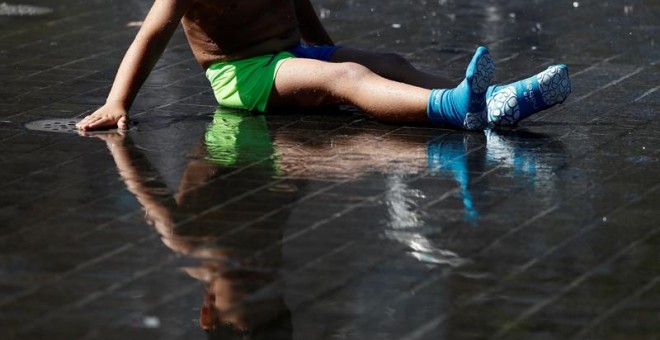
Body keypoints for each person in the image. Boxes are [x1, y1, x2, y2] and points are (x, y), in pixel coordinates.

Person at [76, 0, 571, 133]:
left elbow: (298, 8)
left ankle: (492, 100)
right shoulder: (194, 247)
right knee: (349, 78)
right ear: (208, 306)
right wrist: (118, 102)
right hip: (245, 75)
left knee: (384, 61)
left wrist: (335, 55)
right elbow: (152, 34)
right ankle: (452, 107)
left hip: (293, 57)